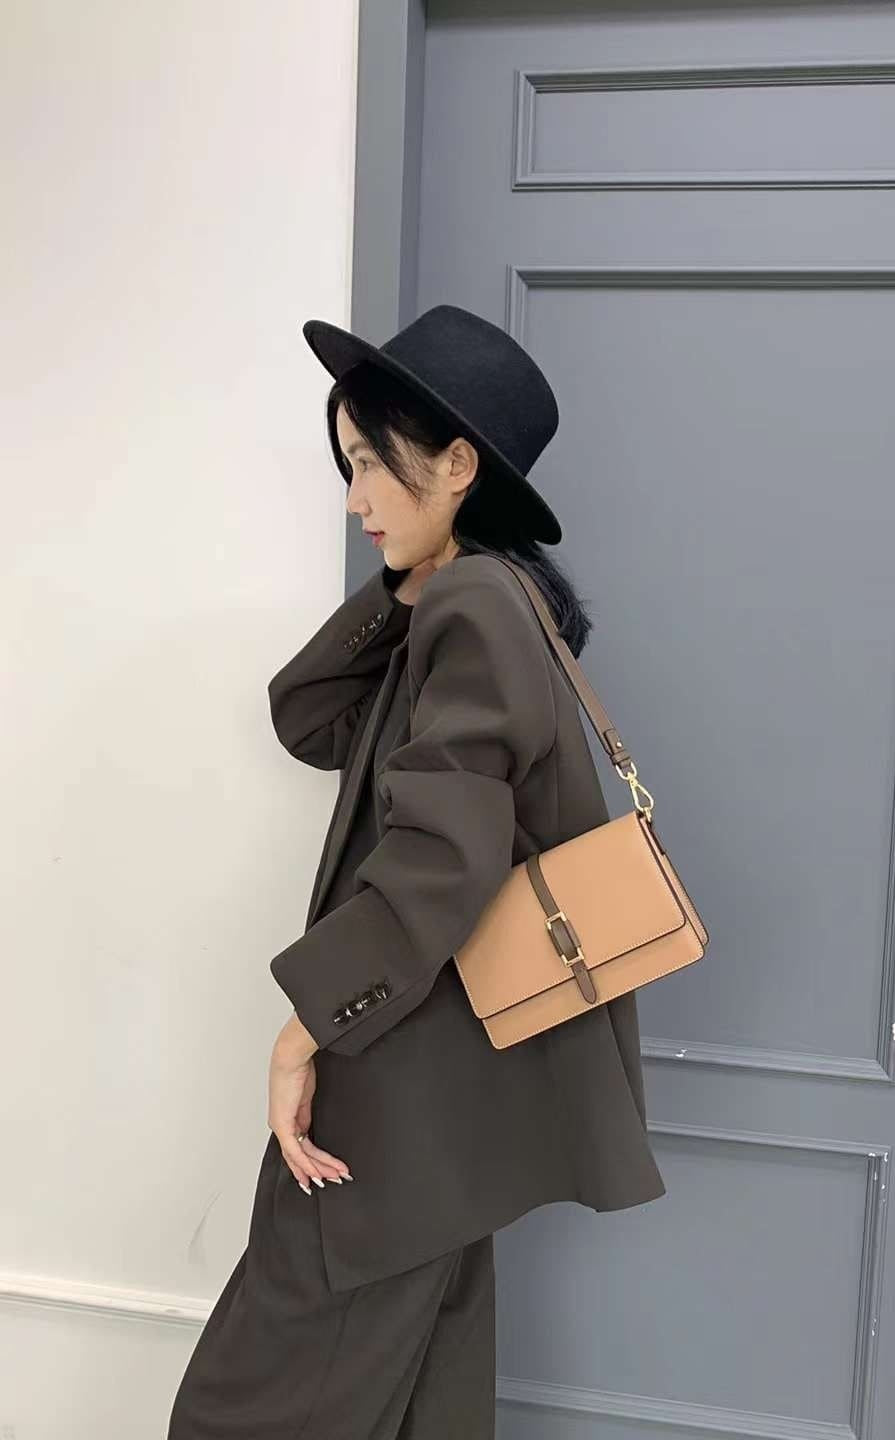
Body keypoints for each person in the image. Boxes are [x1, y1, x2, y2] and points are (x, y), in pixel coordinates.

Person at [167, 305, 666, 1438]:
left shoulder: (477, 608)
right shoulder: (467, 603)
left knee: (244, 1416)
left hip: (394, 1099)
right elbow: (306, 717)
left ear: (456, 465)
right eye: (346, 465)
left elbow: (444, 860)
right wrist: (408, 581)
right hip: (451, 1115)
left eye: (368, 464)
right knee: (421, 1409)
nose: (354, 500)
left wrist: (303, 1030)